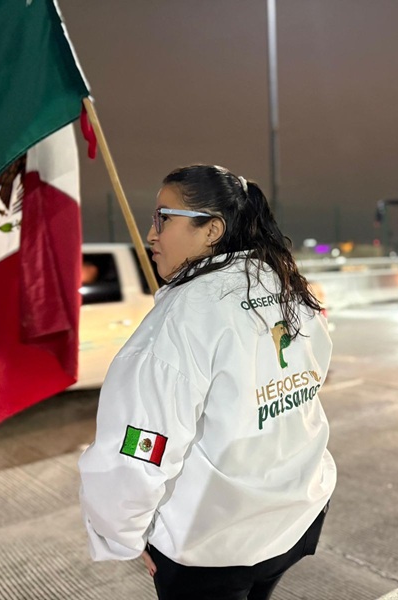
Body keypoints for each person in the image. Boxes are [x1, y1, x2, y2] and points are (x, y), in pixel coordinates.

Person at [78, 165, 336, 599]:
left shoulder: (182, 319)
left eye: (163, 217)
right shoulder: (285, 286)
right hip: (296, 516)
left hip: (213, 546)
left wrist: (121, 533)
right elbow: (308, 382)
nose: (151, 233)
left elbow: (139, 447)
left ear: (212, 229)